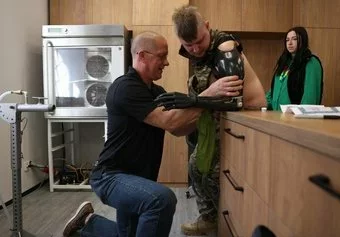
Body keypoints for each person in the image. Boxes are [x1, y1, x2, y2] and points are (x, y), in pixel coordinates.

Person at [62, 31, 244, 237]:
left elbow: (177, 128)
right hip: (111, 177)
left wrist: (209, 110)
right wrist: (208, 95)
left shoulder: (156, 92)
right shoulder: (125, 87)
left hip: (136, 179)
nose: (166, 63)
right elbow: (168, 120)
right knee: (161, 200)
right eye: (162, 56)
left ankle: (87, 223)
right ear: (142, 55)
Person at [159, 5, 266, 236]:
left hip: (246, 116)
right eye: (189, 45)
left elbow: (234, 100)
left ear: (207, 26)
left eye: (199, 40)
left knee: (216, 175)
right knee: (197, 168)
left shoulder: (226, 48)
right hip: (222, 118)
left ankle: (227, 224)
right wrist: (196, 100)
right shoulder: (199, 49)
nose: (196, 49)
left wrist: (192, 100)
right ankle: (210, 219)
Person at [266, 26, 323, 111]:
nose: (290, 43)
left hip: (296, 119)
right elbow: (273, 91)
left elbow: (309, 96)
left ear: (302, 40)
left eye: (294, 39)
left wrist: (301, 116)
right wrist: (262, 103)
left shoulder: (310, 62)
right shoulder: (285, 63)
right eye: (287, 40)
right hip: (276, 116)